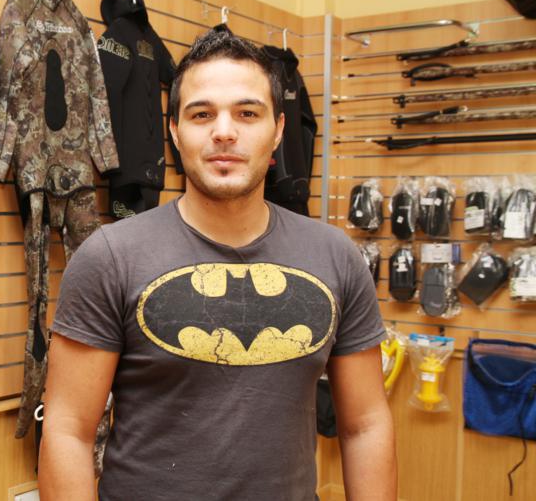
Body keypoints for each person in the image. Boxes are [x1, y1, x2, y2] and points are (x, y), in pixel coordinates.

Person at [38, 30, 397, 500]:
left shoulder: (335, 256)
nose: (224, 132)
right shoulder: (110, 256)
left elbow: (366, 424)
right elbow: (68, 429)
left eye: (247, 113)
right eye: (201, 114)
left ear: (279, 129)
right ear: (174, 130)